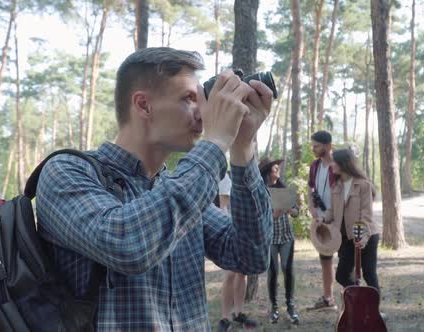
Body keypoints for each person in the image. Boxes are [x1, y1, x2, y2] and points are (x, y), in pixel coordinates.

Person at [35, 47, 274, 331]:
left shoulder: (174, 188)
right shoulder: (67, 171)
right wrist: (216, 142)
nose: (203, 113)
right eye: (189, 99)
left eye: (203, 99)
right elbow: (128, 245)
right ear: (143, 105)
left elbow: (251, 255)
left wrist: (242, 146)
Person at [313, 148, 381, 298]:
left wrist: (363, 237)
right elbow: (331, 211)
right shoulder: (336, 186)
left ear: (343, 163)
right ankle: (360, 303)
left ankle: (375, 312)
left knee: (369, 274)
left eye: (334, 162)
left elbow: (366, 215)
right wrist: (322, 218)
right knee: (342, 275)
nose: (331, 165)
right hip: (345, 238)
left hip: (367, 235)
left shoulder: (363, 185)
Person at [216, 171, 258, 331]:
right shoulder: (226, 178)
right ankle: (225, 318)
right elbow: (223, 206)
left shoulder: (250, 177)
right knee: (230, 273)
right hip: (230, 228)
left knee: (242, 273)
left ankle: (239, 313)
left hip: (246, 229)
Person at [260, 158, 300, 324]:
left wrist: (292, 210)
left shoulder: (284, 189)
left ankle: (290, 306)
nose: (278, 170)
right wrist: (272, 215)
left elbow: (297, 211)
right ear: (269, 172)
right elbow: (259, 214)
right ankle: (274, 308)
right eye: (275, 168)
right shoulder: (261, 190)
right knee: (273, 271)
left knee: (287, 268)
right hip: (269, 236)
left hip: (285, 236)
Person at [307, 130, 338, 311]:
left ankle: (348, 297)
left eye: (316, 146)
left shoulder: (338, 164)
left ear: (327, 146)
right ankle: (328, 299)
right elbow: (310, 188)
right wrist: (311, 207)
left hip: (337, 219)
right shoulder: (315, 166)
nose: (313, 149)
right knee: (325, 258)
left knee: (345, 260)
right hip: (320, 219)